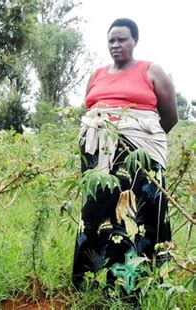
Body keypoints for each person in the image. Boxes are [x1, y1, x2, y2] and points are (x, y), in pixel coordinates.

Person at [72, 18, 178, 292]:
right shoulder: (97, 75)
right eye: (111, 40)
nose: (116, 45)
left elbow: (170, 117)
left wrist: (135, 143)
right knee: (96, 212)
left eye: (122, 39)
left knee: (137, 214)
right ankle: (93, 281)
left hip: (139, 156)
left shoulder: (151, 71)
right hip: (98, 156)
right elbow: (90, 107)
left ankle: (136, 283)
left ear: (135, 41)